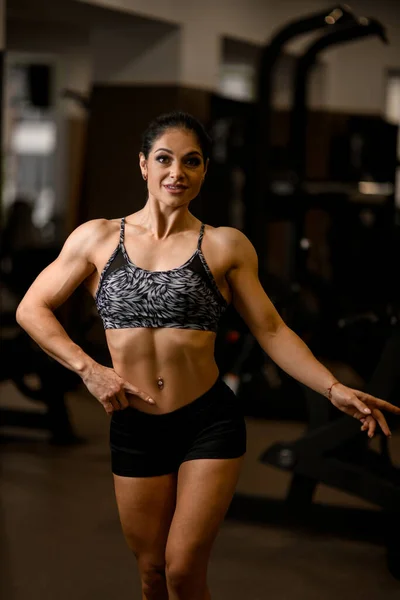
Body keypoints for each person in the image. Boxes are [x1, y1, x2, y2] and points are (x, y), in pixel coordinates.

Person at [16, 111, 400, 600]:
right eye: (165, 159)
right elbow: (33, 308)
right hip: (135, 425)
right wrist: (90, 371)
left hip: (207, 422)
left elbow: (272, 329)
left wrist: (333, 387)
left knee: (181, 569)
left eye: (191, 162)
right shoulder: (97, 238)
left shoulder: (223, 245)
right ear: (143, 166)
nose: (177, 172)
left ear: (203, 172)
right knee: (152, 573)